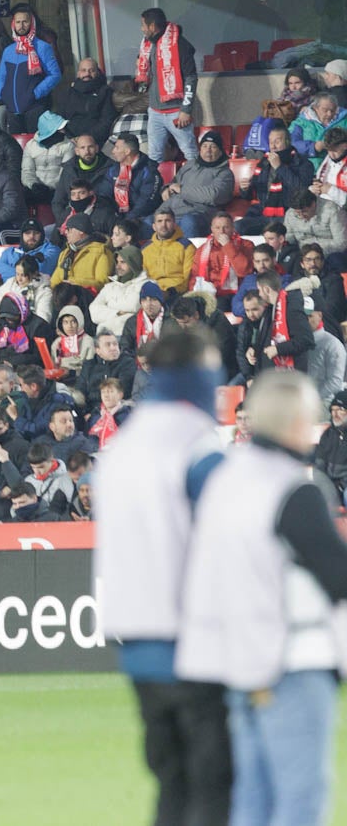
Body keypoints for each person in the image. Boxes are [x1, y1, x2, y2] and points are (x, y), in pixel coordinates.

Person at [176, 371, 347, 826]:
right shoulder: (295, 490)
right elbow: (337, 575)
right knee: (300, 798)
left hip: (238, 660)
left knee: (252, 799)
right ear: (294, 422)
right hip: (294, 658)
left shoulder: (223, 483)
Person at [93, 328, 232, 825]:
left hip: (136, 639)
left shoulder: (120, 451)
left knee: (171, 780)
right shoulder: (198, 449)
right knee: (215, 782)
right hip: (193, 636)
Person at [134, 8, 199, 163]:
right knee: (154, 156)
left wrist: (186, 110)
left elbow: (191, 77)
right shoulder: (148, 45)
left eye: (143, 25)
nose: (142, 29)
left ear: (152, 26)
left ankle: (196, 184)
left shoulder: (180, 45)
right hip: (155, 112)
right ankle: (154, 186)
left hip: (177, 112)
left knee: (190, 152)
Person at [0, 5, 62, 133]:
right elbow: (1, 76)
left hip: (34, 107)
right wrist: (2, 93)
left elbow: (55, 75)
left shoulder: (42, 47)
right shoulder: (8, 50)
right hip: (12, 109)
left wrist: (35, 93)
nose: (21, 26)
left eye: (25, 22)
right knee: (16, 146)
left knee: (35, 144)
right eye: (18, 22)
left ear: (32, 23)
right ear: (13, 24)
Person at [53, 59, 119, 146]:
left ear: (97, 73)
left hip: (96, 141)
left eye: (91, 71)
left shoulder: (105, 92)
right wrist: (68, 137)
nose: (87, 74)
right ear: (78, 73)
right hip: (70, 141)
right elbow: (59, 118)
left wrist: (86, 138)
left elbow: (107, 120)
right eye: (83, 70)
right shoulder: (68, 92)